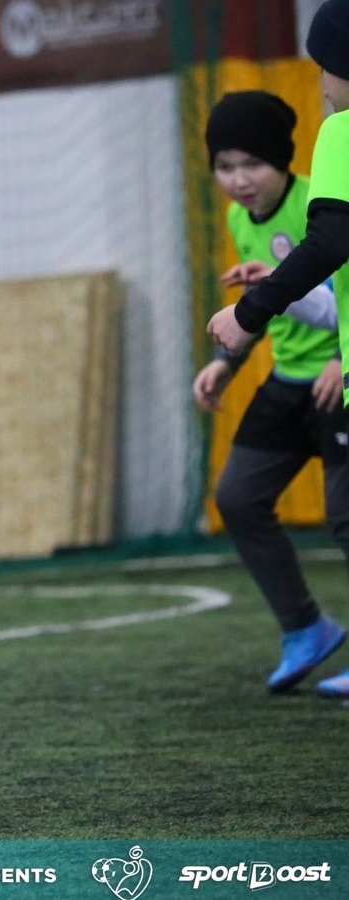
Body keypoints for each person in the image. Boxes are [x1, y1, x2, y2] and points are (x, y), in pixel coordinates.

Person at [209, 0, 349, 699]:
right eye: (225, 165)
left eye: (252, 163)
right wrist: (224, 361)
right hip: (292, 381)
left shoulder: (330, 167)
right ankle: (305, 627)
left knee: (345, 517)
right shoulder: (241, 220)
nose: (239, 178)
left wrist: (336, 356)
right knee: (237, 497)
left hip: (333, 380)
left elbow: (332, 263)